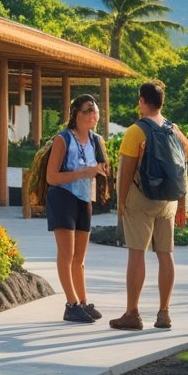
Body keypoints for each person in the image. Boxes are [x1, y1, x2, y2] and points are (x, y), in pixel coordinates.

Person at [110, 81, 188, 331]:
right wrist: (182, 204)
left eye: (139, 100)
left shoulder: (136, 131)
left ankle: (132, 313)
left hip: (141, 199)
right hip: (167, 200)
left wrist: (121, 202)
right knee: (166, 255)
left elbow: (126, 170)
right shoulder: (173, 129)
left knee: (137, 254)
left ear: (143, 101)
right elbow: (183, 166)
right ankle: (164, 312)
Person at [45, 94, 108, 324]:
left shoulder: (95, 140)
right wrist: (84, 172)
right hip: (63, 197)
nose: (94, 114)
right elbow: (51, 177)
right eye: (88, 110)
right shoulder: (63, 140)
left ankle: (82, 302)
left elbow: (97, 169)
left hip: (84, 198)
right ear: (76, 115)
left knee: (80, 257)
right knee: (66, 253)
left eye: (96, 110)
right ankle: (71, 305)